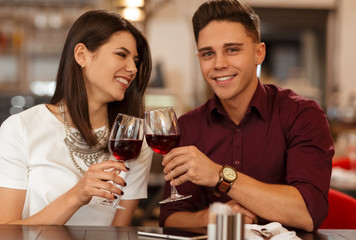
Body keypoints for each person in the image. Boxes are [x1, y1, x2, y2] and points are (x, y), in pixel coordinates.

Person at [159, 0, 334, 232]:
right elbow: (170, 218)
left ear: (258, 53)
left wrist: (220, 175)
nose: (219, 64)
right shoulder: (188, 126)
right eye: (208, 53)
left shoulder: (303, 115)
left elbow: (308, 212)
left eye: (232, 50)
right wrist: (211, 218)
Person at [0, 10, 152, 226]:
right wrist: (77, 195)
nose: (133, 69)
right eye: (121, 54)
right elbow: (5, 232)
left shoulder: (135, 142)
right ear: (82, 55)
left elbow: (119, 232)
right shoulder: (20, 128)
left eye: (136, 60)